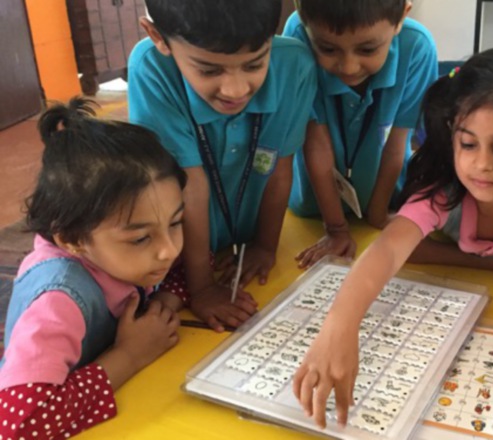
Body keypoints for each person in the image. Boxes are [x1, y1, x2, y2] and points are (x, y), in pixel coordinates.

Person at [292, 48, 493, 428]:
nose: (481, 164)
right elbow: (389, 249)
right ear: (453, 131)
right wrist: (340, 324)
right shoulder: (443, 194)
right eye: (467, 144)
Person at [0, 99, 184, 439]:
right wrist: (130, 354)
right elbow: (20, 427)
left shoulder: (117, 251)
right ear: (72, 239)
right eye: (141, 238)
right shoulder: (57, 300)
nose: (168, 250)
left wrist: (165, 306)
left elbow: (180, 271)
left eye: (176, 223)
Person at [128, 0, 317, 331]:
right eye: (209, 70)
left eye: (255, 64)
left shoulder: (295, 66)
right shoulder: (151, 69)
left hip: (244, 238)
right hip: (180, 250)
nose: (236, 89)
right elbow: (190, 184)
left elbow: (279, 167)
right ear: (157, 35)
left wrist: (265, 246)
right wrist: (201, 288)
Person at [283, 0, 438, 268]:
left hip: (386, 198)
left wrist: (378, 215)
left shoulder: (417, 48)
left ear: (401, 16)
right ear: (304, 19)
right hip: (313, 206)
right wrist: (336, 228)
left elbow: (396, 144)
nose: (349, 67)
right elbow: (316, 144)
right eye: (328, 48)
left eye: (367, 49)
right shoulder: (298, 38)